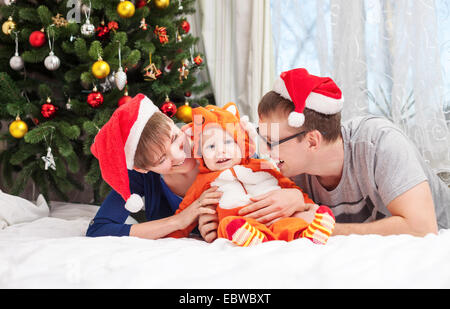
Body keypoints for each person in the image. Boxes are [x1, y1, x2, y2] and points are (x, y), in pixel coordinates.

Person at [198, 68, 450, 241]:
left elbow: (422, 228)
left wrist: (326, 228)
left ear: (311, 141)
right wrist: (215, 223)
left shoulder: (380, 142)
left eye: (272, 142)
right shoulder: (288, 168)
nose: (264, 149)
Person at [167, 102, 336, 246]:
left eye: (228, 142)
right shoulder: (203, 181)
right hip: (241, 225)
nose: (221, 151)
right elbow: (184, 214)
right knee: (228, 225)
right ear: (201, 154)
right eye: (211, 147)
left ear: (242, 144)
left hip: (276, 218)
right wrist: (172, 236)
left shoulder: (263, 166)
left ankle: (307, 235)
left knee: (296, 220)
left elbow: (289, 187)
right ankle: (255, 238)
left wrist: (309, 206)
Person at [86, 93, 218, 239]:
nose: (179, 156)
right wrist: (179, 220)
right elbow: (98, 229)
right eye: (161, 160)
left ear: (170, 120)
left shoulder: (217, 140)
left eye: (174, 138)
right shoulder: (141, 176)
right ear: (141, 169)